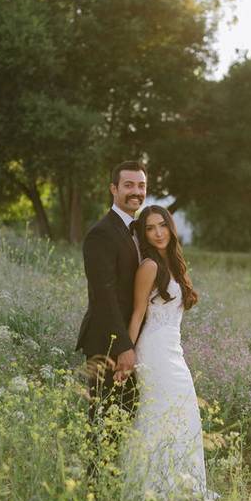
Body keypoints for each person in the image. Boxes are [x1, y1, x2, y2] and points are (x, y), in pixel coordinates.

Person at [121, 204, 215, 501]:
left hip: (174, 351)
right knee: (158, 413)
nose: (158, 233)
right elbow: (137, 315)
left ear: (170, 228)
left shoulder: (174, 263)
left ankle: (181, 485)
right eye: (150, 228)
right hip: (154, 352)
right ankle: (151, 487)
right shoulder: (149, 266)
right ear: (144, 234)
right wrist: (127, 355)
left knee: (183, 412)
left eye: (162, 225)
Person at [76, 161, 146, 463]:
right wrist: (123, 347)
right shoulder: (101, 234)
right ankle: (93, 490)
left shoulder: (138, 230)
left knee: (126, 414)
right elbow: (104, 296)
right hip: (107, 341)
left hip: (129, 340)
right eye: (129, 185)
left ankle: (114, 481)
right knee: (104, 418)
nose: (136, 192)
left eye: (141, 186)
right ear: (113, 189)